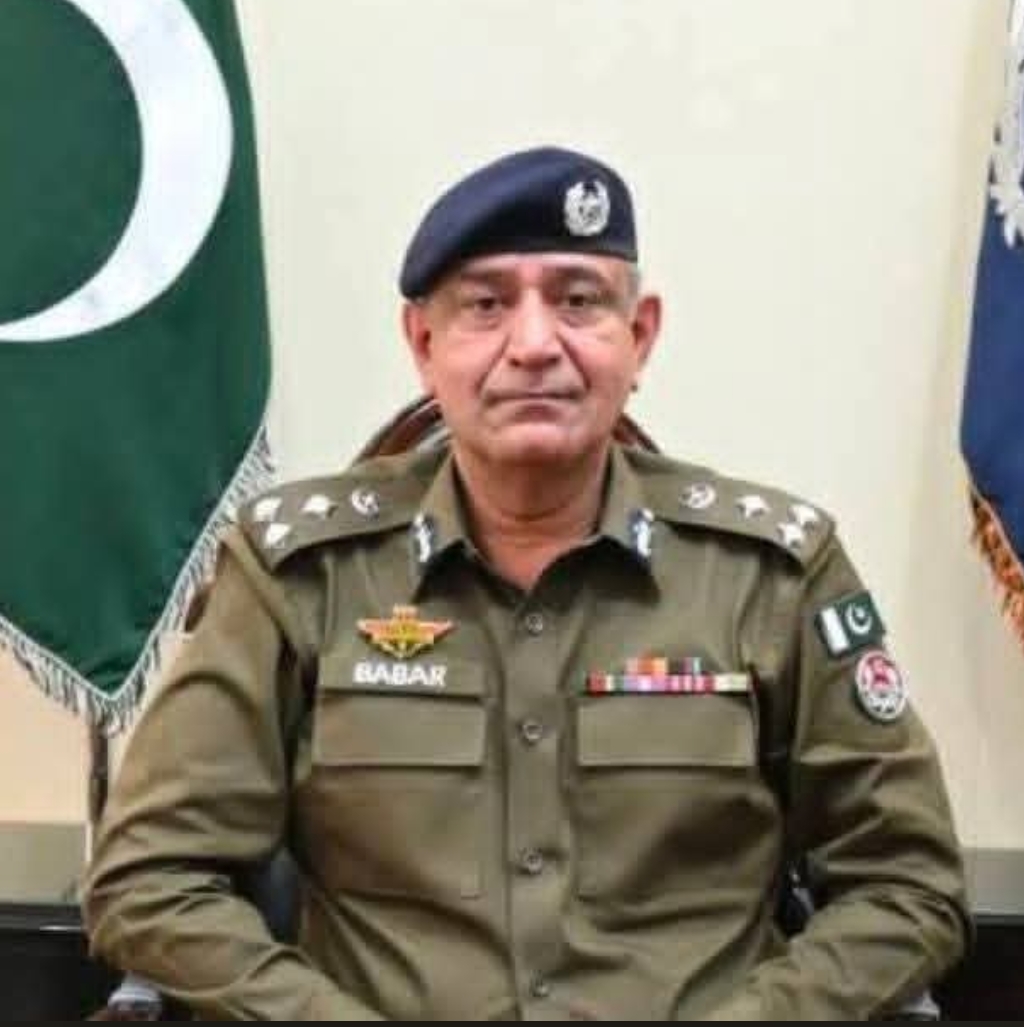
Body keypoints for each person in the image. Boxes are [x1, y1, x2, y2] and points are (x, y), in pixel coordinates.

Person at [82, 145, 971, 1020]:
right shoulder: (301, 573)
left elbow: (907, 884)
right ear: (423, 343)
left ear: (639, 335)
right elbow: (150, 878)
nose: (536, 344)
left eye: (579, 300)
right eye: (486, 304)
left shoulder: (767, 575)